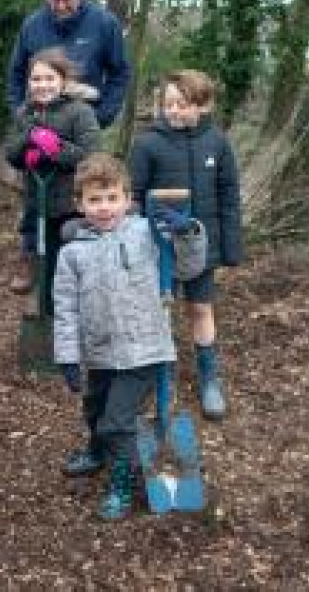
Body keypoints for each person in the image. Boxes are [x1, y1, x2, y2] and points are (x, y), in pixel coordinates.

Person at [53, 153, 207, 520]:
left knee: (117, 423)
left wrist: (188, 233)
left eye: (112, 198)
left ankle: (122, 482)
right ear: (79, 204)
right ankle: (97, 451)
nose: (104, 208)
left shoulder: (148, 233)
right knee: (94, 411)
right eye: (94, 199)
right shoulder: (72, 253)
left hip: (145, 349)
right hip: (99, 350)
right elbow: (66, 309)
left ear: (128, 198)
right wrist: (67, 356)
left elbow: (188, 267)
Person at [6, 0, 131, 293]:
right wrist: (22, 117)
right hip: (39, 115)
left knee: (80, 185)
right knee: (34, 187)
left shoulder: (104, 24)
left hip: (81, 116)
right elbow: (17, 73)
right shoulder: (33, 25)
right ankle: (31, 254)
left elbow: (119, 73)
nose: (61, 5)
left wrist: (103, 114)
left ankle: (84, 256)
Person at [128, 69, 243, 420]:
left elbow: (229, 197)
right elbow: (134, 198)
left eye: (182, 105)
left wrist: (230, 247)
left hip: (200, 245)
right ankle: (151, 377)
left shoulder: (218, 143)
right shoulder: (148, 143)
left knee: (201, 309)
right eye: (169, 105)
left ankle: (209, 377)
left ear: (203, 105)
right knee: (157, 311)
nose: (174, 111)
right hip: (160, 246)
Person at [4, 47, 100, 315]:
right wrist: (29, 140)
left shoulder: (80, 112)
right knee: (43, 264)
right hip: (38, 205)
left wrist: (54, 148)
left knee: (67, 266)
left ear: (62, 81)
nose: (42, 85)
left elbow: (90, 156)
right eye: (36, 79)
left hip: (70, 207)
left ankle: (73, 322)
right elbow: (11, 154)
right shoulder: (25, 114)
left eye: (49, 78)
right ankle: (47, 317)